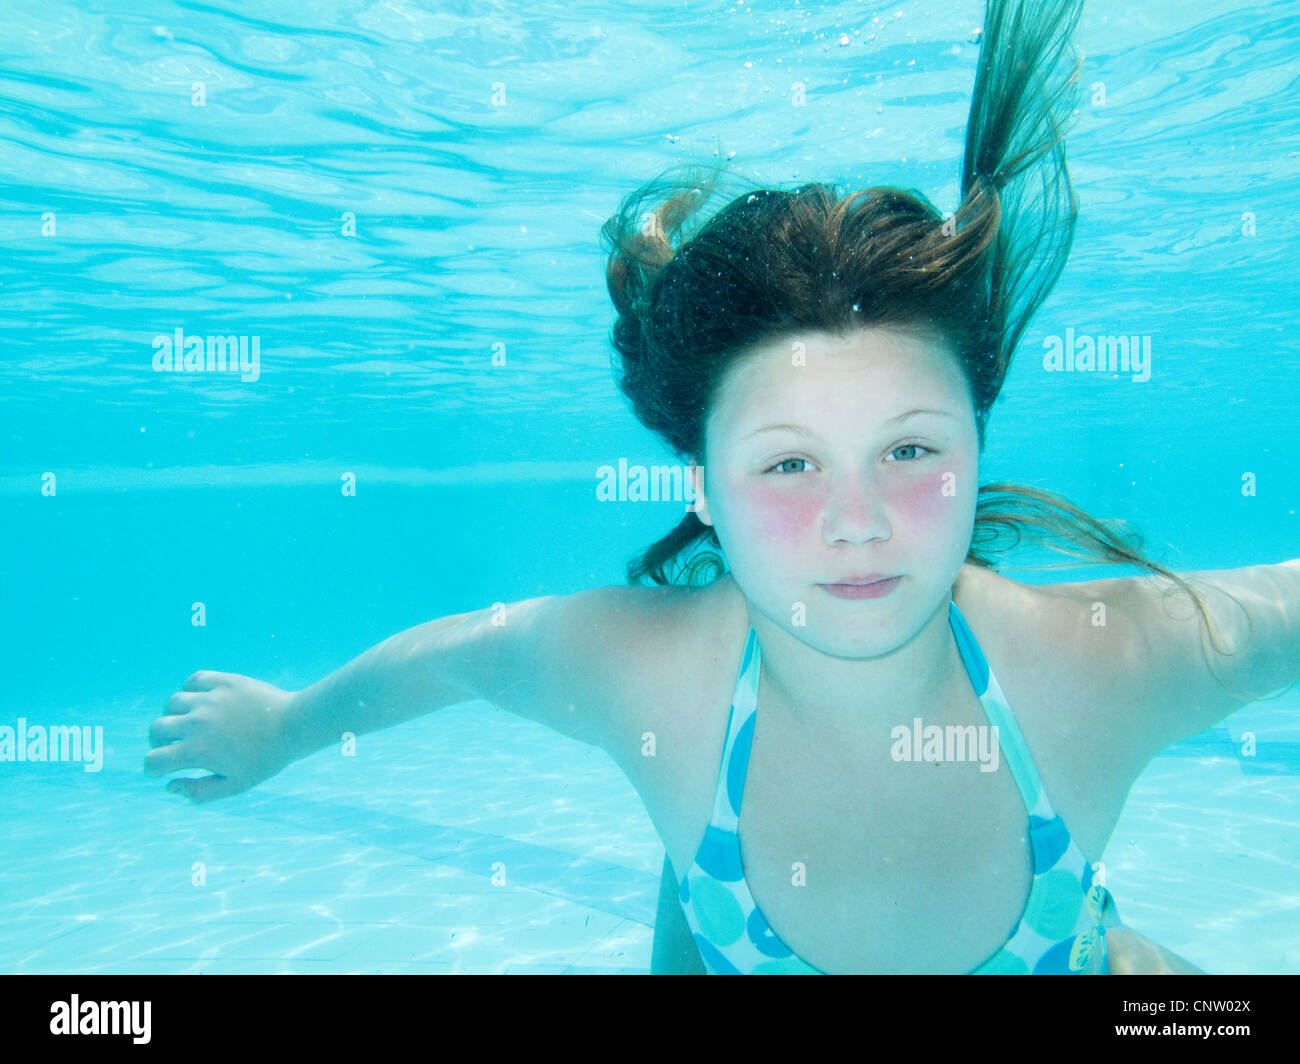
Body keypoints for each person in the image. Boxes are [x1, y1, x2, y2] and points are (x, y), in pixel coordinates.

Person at [144, 0, 1300, 974]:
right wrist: (284, 726)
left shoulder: (1106, 663)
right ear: (701, 483)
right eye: (788, 462)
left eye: (910, 449)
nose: (858, 520)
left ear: (976, 446)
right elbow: (461, 652)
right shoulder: (645, 675)